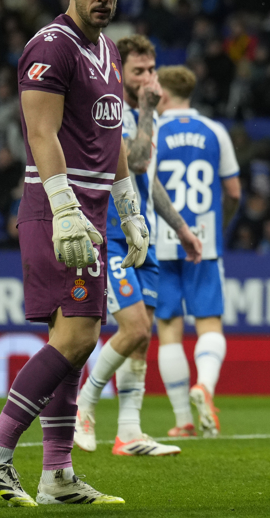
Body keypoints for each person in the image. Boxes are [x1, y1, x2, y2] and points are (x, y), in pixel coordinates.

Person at [0, 0, 148, 507]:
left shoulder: (108, 49)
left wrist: (129, 206)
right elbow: (40, 132)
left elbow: (111, 137)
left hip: (92, 213)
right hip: (58, 212)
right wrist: (64, 208)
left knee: (73, 342)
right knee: (78, 338)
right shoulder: (51, 45)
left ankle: (58, 476)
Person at [73, 35, 202, 456]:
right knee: (135, 329)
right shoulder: (109, 111)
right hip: (111, 234)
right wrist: (148, 108)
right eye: (139, 71)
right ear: (119, 71)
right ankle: (83, 405)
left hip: (143, 236)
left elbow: (149, 181)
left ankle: (129, 432)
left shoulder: (144, 116)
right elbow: (139, 160)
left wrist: (181, 229)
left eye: (151, 70)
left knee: (141, 340)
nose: (149, 78)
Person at [151, 65, 241, 438]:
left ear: (163, 94)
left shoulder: (151, 131)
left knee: (168, 328)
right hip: (204, 242)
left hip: (160, 240)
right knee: (209, 323)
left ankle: (182, 421)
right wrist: (218, 228)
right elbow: (233, 192)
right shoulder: (215, 131)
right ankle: (204, 385)